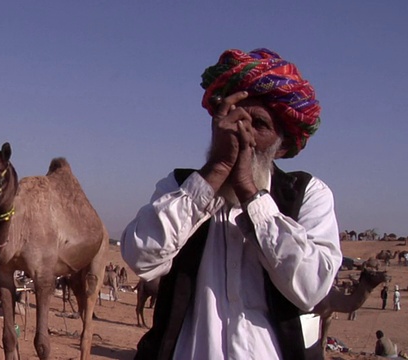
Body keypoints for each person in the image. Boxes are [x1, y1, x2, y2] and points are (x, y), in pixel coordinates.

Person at [121, 48, 342, 360]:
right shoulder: (178, 186)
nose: (242, 132)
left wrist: (250, 193)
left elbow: (312, 287)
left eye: (258, 124)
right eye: (233, 118)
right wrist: (216, 171)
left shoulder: (307, 194)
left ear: (279, 146)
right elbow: (140, 257)